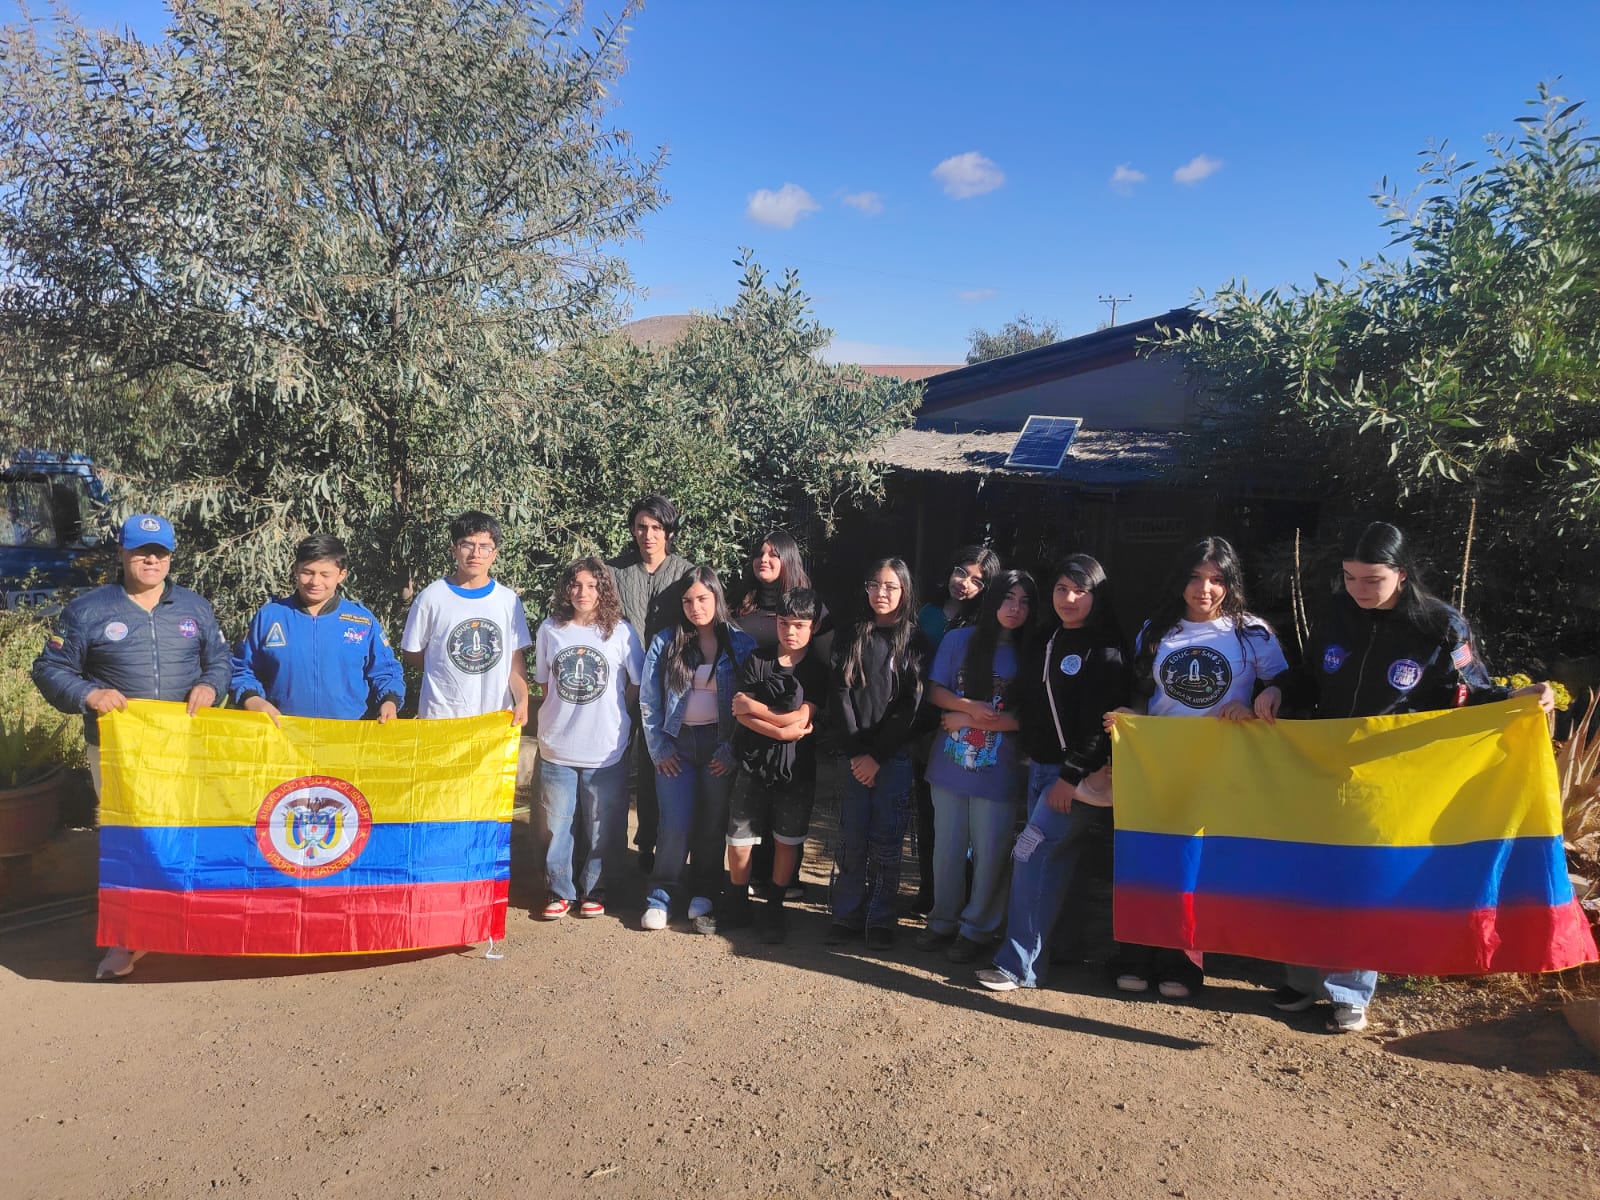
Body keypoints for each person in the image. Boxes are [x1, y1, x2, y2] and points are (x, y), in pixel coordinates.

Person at [1255, 521, 1556, 1032]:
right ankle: (1300, 980)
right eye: (1350, 578)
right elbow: (1310, 675)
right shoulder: (1337, 613)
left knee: (1363, 879)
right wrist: (1278, 690)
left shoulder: (1441, 626)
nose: (1359, 590)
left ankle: (1350, 991)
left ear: (1401, 573)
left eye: (1371, 580)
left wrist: (1518, 698)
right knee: (1309, 870)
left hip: (1391, 776)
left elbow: (1473, 690)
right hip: (1322, 766)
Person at [31, 513, 230, 980]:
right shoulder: (89, 610)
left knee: (186, 832)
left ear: (171, 556)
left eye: (160, 552)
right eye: (141, 551)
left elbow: (220, 660)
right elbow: (49, 668)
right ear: (122, 553)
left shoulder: (195, 607)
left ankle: (193, 925)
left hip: (183, 745)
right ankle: (127, 939)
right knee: (128, 840)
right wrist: (88, 695)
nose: (151, 560)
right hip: (116, 750)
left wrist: (210, 685)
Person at [1107, 535, 1289, 1000]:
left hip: (1220, 769)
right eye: (1194, 577)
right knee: (1147, 858)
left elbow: (1288, 683)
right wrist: (1131, 722)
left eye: (1215, 579)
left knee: (1194, 867)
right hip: (1158, 768)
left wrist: (1270, 696)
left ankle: (1183, 965)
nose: (1203, 589)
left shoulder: (1252, 633)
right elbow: (1142, 697)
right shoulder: (1155, 630)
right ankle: (1134, 957)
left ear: (1230, 584)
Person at [977, 555, 1132, 992]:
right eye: (1062, 588)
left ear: (1097, 594)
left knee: (1032, 855)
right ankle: (1054, 954)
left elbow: (1101, 724)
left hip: (1072, 779)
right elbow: (1033, 695)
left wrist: (1071, 775)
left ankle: (1016, 966)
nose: (1069, 598)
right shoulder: (1047, 637)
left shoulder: (1107, 648)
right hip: (1040, 770)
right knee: (1057, 860)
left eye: (1080, 590)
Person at [917, 569, 1036, 963]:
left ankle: (978, 930)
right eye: (1007, 599)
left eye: (1024, 602)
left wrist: (968, 720)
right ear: (991, 601)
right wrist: (968, 706)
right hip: (948, 767)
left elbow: (1032, 718)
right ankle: (941, 922)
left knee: (991, 851)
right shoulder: (958, 640)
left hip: (1000, 770)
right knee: (946, 851)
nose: (1015, 609)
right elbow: (934, 691)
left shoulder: (1034, 652)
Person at [637, 566, 755, 930]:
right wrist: (659, 749)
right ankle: (662, 895)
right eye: (688, 600)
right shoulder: (666, 641)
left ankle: (705, 890)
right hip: (677, 746)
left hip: (718, 746)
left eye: (703, 598)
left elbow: (750, 700)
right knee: (674, 823)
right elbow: (649, 700)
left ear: (717, 598)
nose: (695, 607)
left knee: (711, 822)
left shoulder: (740, 643)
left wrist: (732, 749)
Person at [532, 557, 643, 921]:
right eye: (576, 585)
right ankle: (559, 889)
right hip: (557, 744)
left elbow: (635, 685)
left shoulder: (621, 633)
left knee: (603, 824)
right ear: (566, 589)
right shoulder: (551, 629)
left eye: (592, 586)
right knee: (556, 823)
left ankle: (595, 889)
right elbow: (547, 685)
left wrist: (614, 715)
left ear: (604, 590)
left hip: (605, 748)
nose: (583, 592)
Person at [828, 558, 930, 950]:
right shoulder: (852, 633)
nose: (881, 594)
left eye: (891, 586)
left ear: (904, 591)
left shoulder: (914, 640)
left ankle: (881, 919)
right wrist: (856, 752)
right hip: (854, 757)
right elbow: (839, 693)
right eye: (875, 585)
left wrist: (878, 756)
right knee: (852, 838)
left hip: (894, 758)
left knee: (888, 840)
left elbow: (911, 704)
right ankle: (847, 915)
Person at [730, 530, 834, 901]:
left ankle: (781, 886)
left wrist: (781, 718)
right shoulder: (742, 602)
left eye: (774, 554)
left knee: (789, 816)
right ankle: (749, 882)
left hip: (797, 701)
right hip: (753, 706)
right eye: (759, 553)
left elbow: (820, 663)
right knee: (749, 812)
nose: (764, 559)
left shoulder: (811, 607)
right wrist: (752, 711)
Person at [721, 588, 829, 942]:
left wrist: (760, 714)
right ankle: (736, 904)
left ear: (812, 628)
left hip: (796, 769)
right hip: (752, 764)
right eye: (784, 623)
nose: (791, 632)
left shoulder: (817, 670)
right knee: (739, 838)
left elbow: (801, 719)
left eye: (799, 625)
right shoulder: (758, 659)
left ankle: (774, 907)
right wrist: (779, 728)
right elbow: (740, 712)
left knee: (786, 840)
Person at [910, 545, 1002, 912]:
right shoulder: (928, 614)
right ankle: (930, 892)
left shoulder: (987, 625)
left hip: (964, 728)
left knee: (964, 821)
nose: (965, 583)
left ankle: (964, 900)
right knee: (928, 814)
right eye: (961, 573)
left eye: (978, 580)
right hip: (923, 725)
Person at [230, 533, 405, 723]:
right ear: (295, 570)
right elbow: (242, 669)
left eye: (325, 575)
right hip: (284, 735)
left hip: (348, 739)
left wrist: (389, 701)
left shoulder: (361, 620)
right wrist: (252, 699)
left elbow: (386, 671)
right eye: (308, 572)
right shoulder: (270, 617)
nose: (315, 582)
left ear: (341, 575)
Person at [609, 494, 694, 874]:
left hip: (670, 684)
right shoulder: (614, 572)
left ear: (669, 532)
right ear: (632, 529)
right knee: (614, 761)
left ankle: (659, 842)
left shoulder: (685, 573)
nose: (648, 534)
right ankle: (610, 845)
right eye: (642, 526)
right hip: (623, 682)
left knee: (663, 761)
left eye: (657, 527)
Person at [399, 511, 531, 726]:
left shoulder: (508, 601)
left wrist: (523, 701)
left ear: (494, 553)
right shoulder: (431, 597)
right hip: (441, 718)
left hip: (494, 720)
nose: (475, 554)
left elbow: (514, 661)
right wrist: (446, 667)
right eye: (467, 545)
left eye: (484, 547)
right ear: (454, 550)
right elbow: (412, 652)